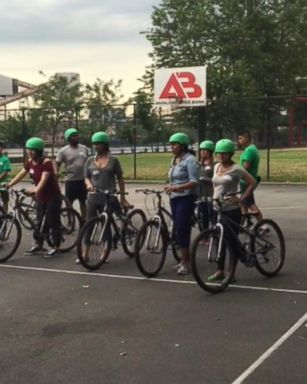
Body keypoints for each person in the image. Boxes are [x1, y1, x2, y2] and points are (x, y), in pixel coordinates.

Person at [77, 131, 130, 264]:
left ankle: (105, 252)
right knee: (89, 224)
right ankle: (86, 252)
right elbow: (86, 177)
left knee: (105, 223)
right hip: (93, 197)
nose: (96, 146)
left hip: (109, 197)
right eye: (94, 144)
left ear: (105, 144)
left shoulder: (114, 160)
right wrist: (89, 185)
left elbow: (120, 178)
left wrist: (122, 197)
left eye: (99, 144)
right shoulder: (90, 160)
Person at [208, 139, 256, 282]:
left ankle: (231, 273)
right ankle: (220, 270)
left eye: (224, 153)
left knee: (230, 241)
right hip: (217, 208)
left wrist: (241, 199)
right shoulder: (216, 167)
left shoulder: (237, 169)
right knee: (219, 240)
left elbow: (252, 183)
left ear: (230, 154)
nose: (221, 156)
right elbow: (216, 186)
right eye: (218, 153)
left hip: (231, 210)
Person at [7, 137, 62, 257]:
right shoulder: (30, 162)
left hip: (52, 196)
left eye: (32, 150)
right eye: (28, 150)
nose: (29, 152)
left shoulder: (46, 162)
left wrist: (35, 190)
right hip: (41, 196)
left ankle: (56, 246)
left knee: (52, 221)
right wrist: (9, 184)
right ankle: (38, 245)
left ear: (39, 151)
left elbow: (44, 179)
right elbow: (21, 174)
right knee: (39, 220)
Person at [165, 132, 199, 275]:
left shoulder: (190, 160)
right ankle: (182, 259)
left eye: (175, 144)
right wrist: (169, 186)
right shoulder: (174, 159)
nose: (172, 147)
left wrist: (177, 187)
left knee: (183, 228)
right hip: (174, 197)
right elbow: (172, 178)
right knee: (177, 228)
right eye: (171, 144)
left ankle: (186, 262)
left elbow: (194, 181)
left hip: (186, 198)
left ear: (183, 145)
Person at [56, 128, 89, 221]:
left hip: (83, 180)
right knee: (69, 202)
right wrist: (56, 173)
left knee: (83, 201)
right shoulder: (63, 151)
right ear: (68, 138)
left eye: (77, 135)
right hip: (71, 181)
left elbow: (88, 162)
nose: (77, 137)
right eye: (74, 136)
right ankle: (71, 221)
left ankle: (84, 220)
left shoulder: (84, 148)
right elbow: (57, 163)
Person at [237, 130, 263, 221]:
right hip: (246, 181)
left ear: (248, 138)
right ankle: (243, 223)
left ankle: (263, 225)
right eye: (238, 139)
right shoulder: (250, 149)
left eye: (241, 138)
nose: (239, 140)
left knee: (250, 203)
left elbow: (245, 166)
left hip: (247, 182)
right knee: (244, 203)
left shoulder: (250, 150)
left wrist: (235, 173)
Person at [198, 140, 215, 231]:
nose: (203, 152)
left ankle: (214, 233)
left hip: (211, 194)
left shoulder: (215, 164)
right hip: (201, 194)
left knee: (212, 214)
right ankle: (204, 234)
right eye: (201, 150)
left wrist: (204, 179)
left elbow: (216, 180)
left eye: (205, 150)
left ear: (210, 152)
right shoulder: (199, 164)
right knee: (202, 215)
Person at [0, 142, 11, 213]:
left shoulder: (5, 159)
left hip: (3, 183)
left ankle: (5, 216)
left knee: (5, 200)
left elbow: (5, 172)